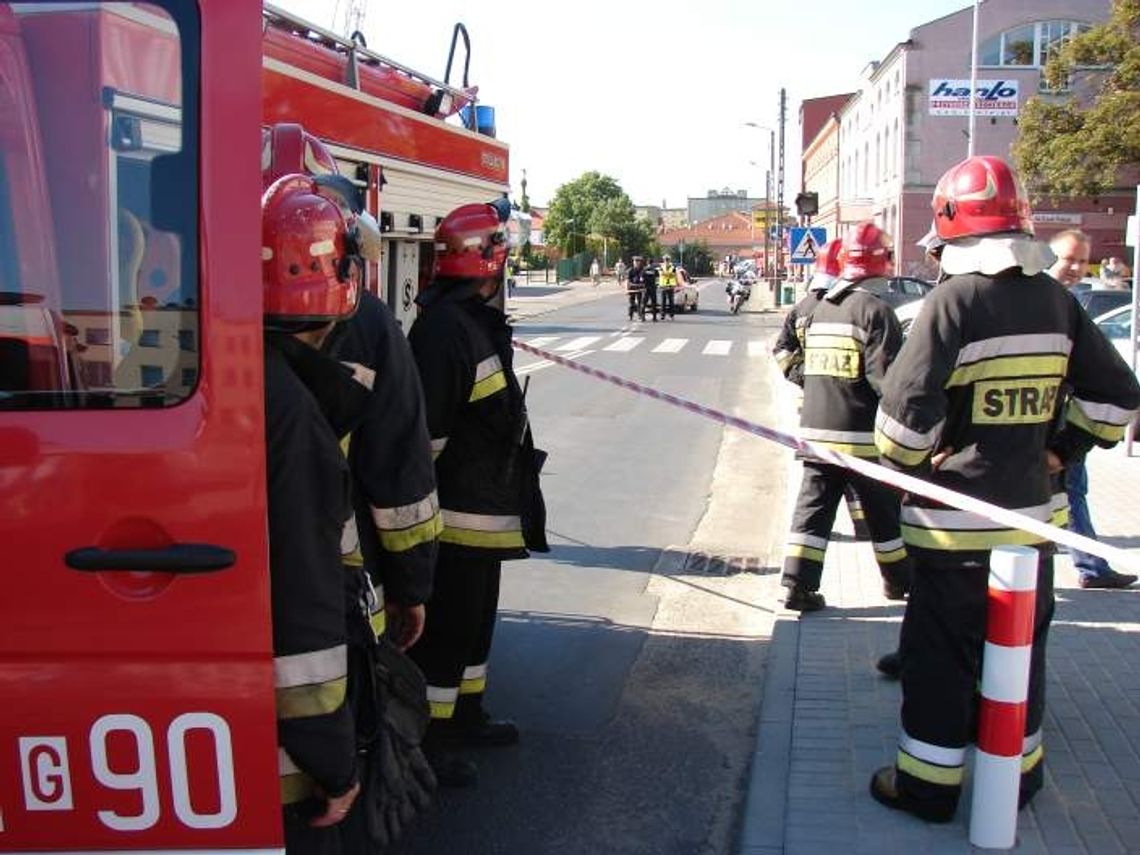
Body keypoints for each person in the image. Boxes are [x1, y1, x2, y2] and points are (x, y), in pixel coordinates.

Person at [869, 155, 1140, 823]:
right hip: (1030, 524)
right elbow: (1117, 398)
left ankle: (928, 787)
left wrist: (921, 450)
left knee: (939, 658)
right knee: (1018, 655)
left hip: (952, 527)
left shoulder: (952, 301)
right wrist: (1059, 448)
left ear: (953, 234)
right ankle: (1015, 779)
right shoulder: (1057, 299)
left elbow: (900, 433)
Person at [407, 198, 549, 788]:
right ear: (485, 261)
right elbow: (428, 438)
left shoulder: (470, 321)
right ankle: (429, 745)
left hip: (482, 510)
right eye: (501, 253)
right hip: (455, 516)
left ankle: (466, 714)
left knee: (473, 627)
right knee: (446, 634)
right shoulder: (445, 330)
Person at [261, 173, 364, 852]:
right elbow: (304, 606)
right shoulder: (295, 416)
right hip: (281, 751)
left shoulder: (249, 376)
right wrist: (334, 760)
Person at [779, 222, 912, 612]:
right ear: (883, 262)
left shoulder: (823, 308)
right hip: (862, 440)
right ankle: (899, 584)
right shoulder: (876, 311)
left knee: (813, 513)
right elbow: (886, 382)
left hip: (817, 436)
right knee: (885, 517)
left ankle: (797, 588)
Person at [1046, 230, 1137, 589]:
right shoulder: (1046, 304)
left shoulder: (1066, 302)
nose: (1076, 267)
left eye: (1083, 261)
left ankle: (1090, 565)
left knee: (1073, 491)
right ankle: (1091, 567)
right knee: (1070, 494)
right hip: (1054, 424)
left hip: (1071, 419)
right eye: (1069, 258)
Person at [772, 237, 871, 542]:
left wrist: (805, 378)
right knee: (853, 476)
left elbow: (782, 351)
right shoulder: (849, 307)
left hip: (814, 408)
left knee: (822, 483)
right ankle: (864, 528)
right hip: (851, 410)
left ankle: (809, 557)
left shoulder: (802, 308)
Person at [626, 256, 646, 321]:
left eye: (638, 262)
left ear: (640, 262)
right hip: (632, 288)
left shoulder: (642, 270)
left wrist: (643, 286)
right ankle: (630, 315)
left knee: (640, 303)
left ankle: (640, 316)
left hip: (640, 288)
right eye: (635, 261)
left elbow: (644, 280)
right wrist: (627, 289)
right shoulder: (630, 270)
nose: (636, 263)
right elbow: (628, 281)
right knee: (631, 303)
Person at [658, 254, 678, 319]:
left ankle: (671, 315)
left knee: (671, 301)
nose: (666, 261)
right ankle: (662, 315)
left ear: (669, 260)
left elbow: (674, 275)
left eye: (667, 260)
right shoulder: (661, 267)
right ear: (663, 260)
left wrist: (666, 274)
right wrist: (669, 274)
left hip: (671, 286)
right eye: (665, 260)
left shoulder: (673, 267)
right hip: (663, 286)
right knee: (663, 302)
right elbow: (661, 274)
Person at [641, 256, 660, 322]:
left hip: (646, 288)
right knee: (653, 303)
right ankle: (654, 318)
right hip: (653, 288)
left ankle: (643, 317)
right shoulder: (655, 270)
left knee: (644, 303)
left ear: (647, 263)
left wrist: (643, 285)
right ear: (652, 263)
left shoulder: (644, 269)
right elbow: (658, 279)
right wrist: (656, 285)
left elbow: (641, 279)